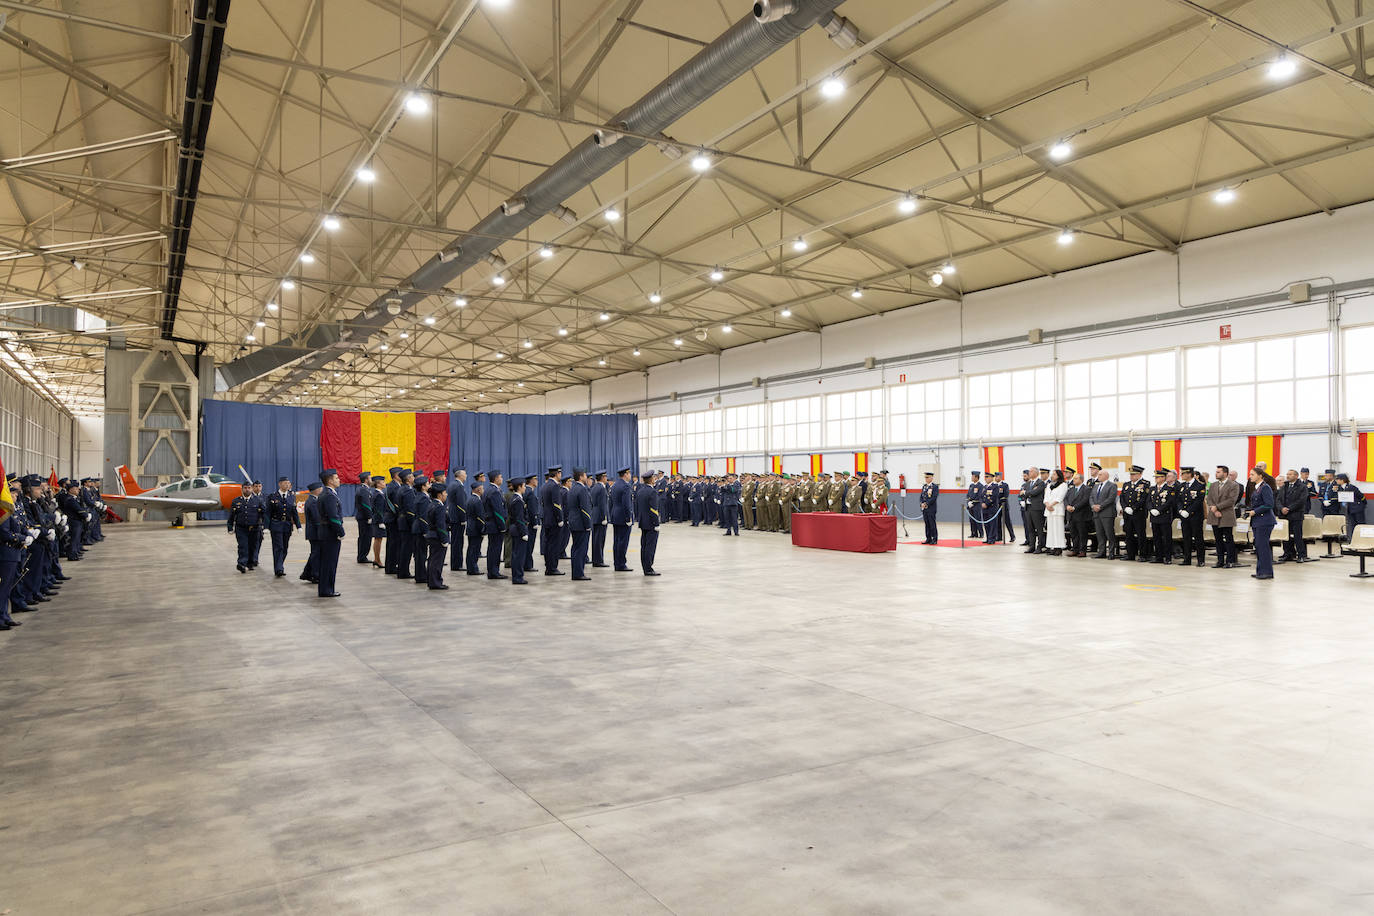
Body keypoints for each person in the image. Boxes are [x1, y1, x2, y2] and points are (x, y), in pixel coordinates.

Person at [316, 469, 345, 597]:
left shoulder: (327, 493)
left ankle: (326, 589)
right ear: (330, 481)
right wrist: (341, 531)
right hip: (330, 533)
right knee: (329, 562)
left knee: (327, 562)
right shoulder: (329, 495)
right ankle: (327, 590)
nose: (339, 480)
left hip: (326, 532)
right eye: (336, 478)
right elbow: (333, 516)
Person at [1206, 464, 1240, 568]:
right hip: (1214, 515)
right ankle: (1220, 560)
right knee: (1218, 539)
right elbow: (1209, 498)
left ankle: (1230, 561)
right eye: (1216, 472)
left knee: (1228, 539)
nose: (1216, 474)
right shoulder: (1213, 485)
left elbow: (1231, 500)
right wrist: (1213, 509)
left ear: (1225, 473)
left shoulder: (1233, 485)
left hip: (1226, 515)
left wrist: (1217, 507)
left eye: (1218, 472)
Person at [267, 476, 301, 577]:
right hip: (276, 524)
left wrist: (298, 526)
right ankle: (278, 569)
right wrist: (265, 526)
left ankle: (279, 565)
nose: (287, 485)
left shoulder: (291, 496)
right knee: (279, 547)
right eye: (285, 483)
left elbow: (294, 512)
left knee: (285, 547)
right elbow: (268, 513)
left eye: (288, 483)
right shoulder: (272, 496)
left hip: (287, 525)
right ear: (280, 484)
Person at [1248, 466, 1276, 579]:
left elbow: (1269, 504)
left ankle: (1267, 572)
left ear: (1260, 475)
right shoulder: (1257, 488)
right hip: (1258, 521)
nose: (1250, 476)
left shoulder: (1265, 487)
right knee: (1259, 547)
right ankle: (1260, 570)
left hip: (1264, 521)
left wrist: (1255, 511)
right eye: (1250, 474)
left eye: (1252, 474)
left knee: (1263, 547)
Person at [227, 483, 261, 573]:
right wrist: (230, 527)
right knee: (243, 546)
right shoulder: (236, 501)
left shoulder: (257, 500)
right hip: (241, 528)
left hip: (254, 528)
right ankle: (241, 563)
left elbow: (263, 514)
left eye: (249, 488)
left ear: (251, 489)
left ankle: (249, 563)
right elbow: (231, 516)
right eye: (245, 488)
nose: (247, 490)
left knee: (252, 547)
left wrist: (265, 526)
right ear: (242, 489)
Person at [1277, 468, 1309, 563]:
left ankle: (1301, 555)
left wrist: (1289, 508)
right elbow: (1278, 499)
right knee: (1285, 536)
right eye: (1287, 474)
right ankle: (1288, 554)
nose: (1288, 476)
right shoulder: (1284, 486)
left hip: (1296, 515)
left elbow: (1301, 501)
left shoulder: (1302, 487)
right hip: (1284, 515)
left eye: (1290, 474)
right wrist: (1281, 508)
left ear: (1296, 476)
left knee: (1297, 536)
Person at [1177, 467, 1206, 567]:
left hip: (1195, 516)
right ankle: (1187, 559)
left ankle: (1200, 560)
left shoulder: (1199, 485)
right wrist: (1180, 510)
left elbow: (1199, 501)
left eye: (1183, 474)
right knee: (1186, 538)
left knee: (1198, 538)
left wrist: (1189, 511)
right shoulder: (1182, 485)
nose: (1181, 476)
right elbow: (1179, 500)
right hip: (1184, 516)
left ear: (1189, 474)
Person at [567, 468, 592, 580]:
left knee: (575, 548)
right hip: (581, 524)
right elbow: (585, 509)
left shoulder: (572, 488)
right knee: (581, 549)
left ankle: (576, 572)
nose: (586, 478)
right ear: (581, 477)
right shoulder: (582, 490)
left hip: (573, 522)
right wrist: (588, 525)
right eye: (585, 475)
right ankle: (579, 573)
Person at [1120, 465, 1150, 562]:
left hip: (1138, 513)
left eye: (1134, 474)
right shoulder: (1126, 484)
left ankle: (1143, 555)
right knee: (1128, 535)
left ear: (1140, 474)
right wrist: (1125, 508)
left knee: (1141, 535)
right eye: (1131, 474)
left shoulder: (1145, 484)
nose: (1131, 476)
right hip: (1127, 514)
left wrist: (1133, 508)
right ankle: (1130, 554)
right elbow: (1122, 498)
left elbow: (1143, 498)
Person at [539, 466, 565, 575]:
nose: (561, 475)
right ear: (556, 474)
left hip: (546, 518)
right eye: (560, 473)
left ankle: (548, 566)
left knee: (548, 543)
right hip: (554, 519)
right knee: (554, 545)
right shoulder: (554, 486)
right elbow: (556, 504)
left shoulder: (545, 485)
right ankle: (553, 568)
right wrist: (560, 518)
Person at [483, 470, 507, 580]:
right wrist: (502, 526)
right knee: (495, 549)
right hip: (495, 525)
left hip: (491, 524)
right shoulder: (494, 492)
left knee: (492, 548)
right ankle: (494, 572)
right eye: (500, 477)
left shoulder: (489, 490)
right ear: (496, 478)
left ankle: (492, 571)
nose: (502, 479)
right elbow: (498, 511)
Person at [635, 471, 661, 575]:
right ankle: (649, 568)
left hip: (643, 522)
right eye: (654, 477)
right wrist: (656, 523)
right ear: (651, 479)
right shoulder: (652, 492)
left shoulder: (640, 491)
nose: (655, 479)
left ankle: (645, 567)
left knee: (644, 546)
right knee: (650, 546)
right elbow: (653, 510)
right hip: (651, 523)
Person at [424, 484, 449, 589]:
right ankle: (435, 582)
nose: (446, 495)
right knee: (437, 561)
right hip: (437, 536)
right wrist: (444, 539)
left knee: (432, 559)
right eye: (444, 493)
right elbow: (440, 525)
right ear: (439, 495)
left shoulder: (431, 504)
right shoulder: (439, 507)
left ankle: (432, 580)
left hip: (431, 535)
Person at [1089, 469, 1118, 559]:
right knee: (1100, 534)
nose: (1098, 476)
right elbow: (1091, 497)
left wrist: (1100, 506)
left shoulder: (1112, 485)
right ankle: (1101, 552)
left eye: (1100, 474)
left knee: (1109, 534)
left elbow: (1111, 498)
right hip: (1097, 514)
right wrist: (1093, 506)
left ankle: (1112, 552)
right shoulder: (1096, 486)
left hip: (1107, 513)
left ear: (1106, 476)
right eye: (1098, 474)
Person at [609, 467, 634, 568]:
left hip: (615, 516)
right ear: (626, 474)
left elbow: (610, 502)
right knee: (623, 542)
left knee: (617, 541)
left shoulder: (614, 485)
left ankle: (617, 562)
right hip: (623, 517)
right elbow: (626, 504)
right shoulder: (626, 486)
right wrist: (628, 518)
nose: (630, 476)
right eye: (629, 474)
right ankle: (621, 564)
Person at [300, 481, 323, 584]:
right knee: (316, 554)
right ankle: (315, 574)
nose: (322, 490)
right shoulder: (313, 502)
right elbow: (317, 519)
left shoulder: (313, 500)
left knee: (315, 553)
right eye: (320, 488)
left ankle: (306, 573)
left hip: (314, 532)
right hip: (315, 532)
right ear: (317, 490)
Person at [508, 477, 530, 585]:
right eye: (524, 486)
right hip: (518, 530)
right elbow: (519, 518)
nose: (525, 488)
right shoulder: (518, 501)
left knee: (516, 554)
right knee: (519, 555)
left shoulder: (515, 498)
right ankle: (518, 577)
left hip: (515, 529)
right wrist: (524, 532)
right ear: (520, 487)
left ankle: (517, 576)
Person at [1334, 473, 1367, 540]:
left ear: (1342, 480)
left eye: (1337, 479)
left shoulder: (1351, 487)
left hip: (1357, 508)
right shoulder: (1340, 488)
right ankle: (1353, 539)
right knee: (1352, 525)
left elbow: (1361, 496)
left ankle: (1363, 539)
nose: (1336, 481)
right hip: (1349, 509)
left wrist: (1362, 504)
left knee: (1360, 524)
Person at [1022, 467, 1046, 553]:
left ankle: (1040, 547)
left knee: (1039, 529)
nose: (1029, 473)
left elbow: (1034, 493)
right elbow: (1023, 494)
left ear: (1036, 473)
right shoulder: (1028, 483)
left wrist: (1026, 493)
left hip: (1037, 508)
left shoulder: (1040, 483)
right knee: (1030, 528)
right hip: (1028, 507)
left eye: (1031, 471)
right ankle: (1032, 546)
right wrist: (1026, 493)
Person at [1044, 469, 1067, 555]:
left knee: (1058, 529)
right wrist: (1047, 505)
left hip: (1057, 509)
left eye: (1054, 474)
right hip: (1049, 510)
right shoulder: (1049, 485)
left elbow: (1060, 497)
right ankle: (1052, 546)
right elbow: (1046, 497)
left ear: (1058, 476)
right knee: (1051, 530)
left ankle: (1059, 547)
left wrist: (1051, 505)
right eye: (1052, 474)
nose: (1052, 476)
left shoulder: (1063, 485)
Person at [465, 481, 485, 575]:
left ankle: (470, 568)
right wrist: (483, 529)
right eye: (482, 488)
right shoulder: (477, 501)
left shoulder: (470, 499)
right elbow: (480, 517)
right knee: (475, 549)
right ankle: (473, 569)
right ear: (478, 490)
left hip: (470, 527)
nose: (483, 490)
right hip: (476, 529)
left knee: (471, 549)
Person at [590, 471, 610, 568]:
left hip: (595, 515)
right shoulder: (601, 488)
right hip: (600, 517)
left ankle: (596, 559)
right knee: (599, 540)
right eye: (605, 476)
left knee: (595, 539)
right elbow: (602, 505)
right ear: (602, 477)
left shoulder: (594, 487)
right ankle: (598, 561)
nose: (607, 478)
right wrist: (604, 517)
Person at [353, 472, 373, 564]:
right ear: (366, 480)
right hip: (364, 518)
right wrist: (369, 516)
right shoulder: (364, 490)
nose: (371, 480)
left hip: (362, 517)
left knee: (363, 537)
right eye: (370, 478)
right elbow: (366, 504)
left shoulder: (362, 489)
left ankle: (361, 556)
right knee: (365, 537)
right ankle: (362, 556)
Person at [920, 472, 939, 544]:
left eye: (927, 477)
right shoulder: (924, 486)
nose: (926, 479)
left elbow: (934, 497)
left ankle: (934, 538)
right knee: (926, 523)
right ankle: (928, 538)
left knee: (932, 523)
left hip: (931, 508)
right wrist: (922, 503)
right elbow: (921, 496)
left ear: (931, 478)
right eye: (925, 477)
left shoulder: (934, 486)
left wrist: (926, 503)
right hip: (924, 508)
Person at [966, 470, 984, 540]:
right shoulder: (971, 485)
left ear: (976, 477)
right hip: (970, 506)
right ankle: (973, 533)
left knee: (977, 519)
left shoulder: (980, 486)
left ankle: (981, 533)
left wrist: (973, 503)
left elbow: (979, 496)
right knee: (971, 520)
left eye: (973, 476)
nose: (972, 478)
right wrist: (968, 502)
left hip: (976, 505)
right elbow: (968, 495)